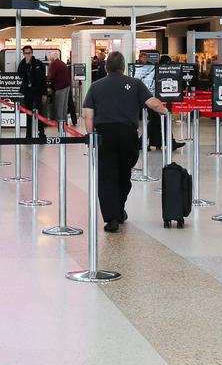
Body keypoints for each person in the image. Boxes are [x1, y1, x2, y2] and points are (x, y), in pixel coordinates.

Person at [82, 51, 170, 233]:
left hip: (104, 135)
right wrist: (164, 111)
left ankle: (112, 217)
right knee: (124, 175)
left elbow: (88, 114)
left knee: (106, 177)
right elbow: (152, 104)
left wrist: (91, 136)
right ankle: (119, 209)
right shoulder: (135, 83)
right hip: (127, 135)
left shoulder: (96, 86)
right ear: (123, 67)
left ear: (106, 67)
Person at [18, 45, 49, 134]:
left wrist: (44, 93)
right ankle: (29, 133)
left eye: (30, 53)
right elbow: (20, 74)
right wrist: (26, 64)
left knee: (39, 111)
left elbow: (43, 79)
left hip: (38, 91)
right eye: (26, 53)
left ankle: (41, 131)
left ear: (32, 53)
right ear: (23, 54)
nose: (28, 55)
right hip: (27, 91)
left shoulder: (39, 63)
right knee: (28, 112)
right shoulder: (22, 63)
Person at [50, 55, 72, 131]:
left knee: (59, 105)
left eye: (50, 59)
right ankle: (64, 122)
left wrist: (47, 81)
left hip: (60, 86)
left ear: (52, 58)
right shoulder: (62, 63)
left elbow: (52, 76)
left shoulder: (54, 64)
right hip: (67, 85)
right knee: (64, 106)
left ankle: (60, 123)